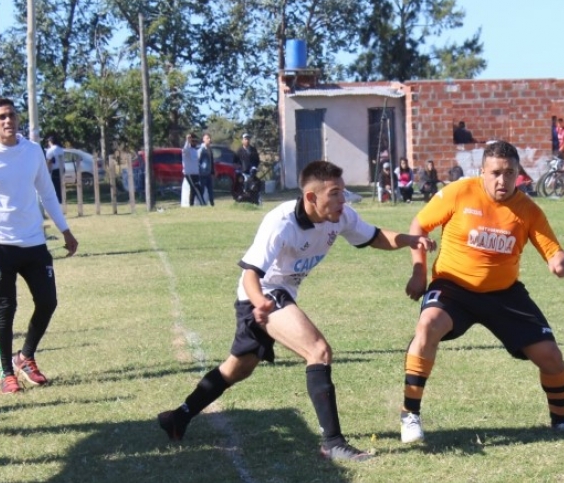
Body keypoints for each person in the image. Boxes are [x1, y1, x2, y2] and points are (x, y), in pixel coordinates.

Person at [158, 160, 436, 461]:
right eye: (335, 193)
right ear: (311, 197)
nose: (343, 199)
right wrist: (260, 302)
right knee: (318, 351)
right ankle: (332, 443)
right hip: (262, 294)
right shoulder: (281, 222)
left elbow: (374, 236)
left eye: (343, 192)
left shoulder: (340, 216)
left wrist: (409, 239)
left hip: (279, 297)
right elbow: (251, 273)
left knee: (238, 368)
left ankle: (178, 417)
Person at [398, 140, 564, 443]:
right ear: (482, 171)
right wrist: (419, 271)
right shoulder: (459, 193)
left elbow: (552, 249)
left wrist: (558, 261)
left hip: (504, 294)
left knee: (550, 356)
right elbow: (419, 225)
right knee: (427, 326)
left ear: (518, 174)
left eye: (510, 173)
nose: (503, 180)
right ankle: (410, 415)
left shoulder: (527, 209)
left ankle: (561, 422)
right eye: (496, 173)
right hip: (453, 287)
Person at [0, 98, 79, 394]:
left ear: (17, 117)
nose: (7, 121)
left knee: (48, 302)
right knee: (6, 308)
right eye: (0, 117)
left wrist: (66, 230)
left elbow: (47, 193)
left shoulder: (32, 151)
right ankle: (6, 372)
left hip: (34, 242)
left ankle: (25, 357)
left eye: (11, 115)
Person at [182, 132, 204, 206]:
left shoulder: (195, 151)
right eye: (193, 141)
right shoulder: (186, 150)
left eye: (195, 141)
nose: (195, 142)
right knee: (195, 188)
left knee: (194, 189)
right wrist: (187, 140)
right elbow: (185, 149)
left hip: (196, 173)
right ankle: (203, 204)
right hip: (189, 173)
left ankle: (191, 204)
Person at [44, 136, 65, 202]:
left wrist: (47, 171)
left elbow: (49, 161)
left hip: (55, 170)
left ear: (50, 142)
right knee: (61, 185)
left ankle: (58, 200)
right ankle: (62, 199)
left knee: (55, 186)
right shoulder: (61, 149)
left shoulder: (50, 150)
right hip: (62, 169)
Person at [197, 133, 215, 206]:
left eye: (209, 138)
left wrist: (212, 171)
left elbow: (211, 161)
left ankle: (212, 203)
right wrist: (201, 170)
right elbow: (197, 161)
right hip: (202, 173)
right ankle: (201, 203)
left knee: (210, 190)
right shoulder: (201, 149)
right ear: (203, 139)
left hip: (209, 173)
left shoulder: (210, 149)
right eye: (207, 138)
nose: (209, 139)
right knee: (202, 189)